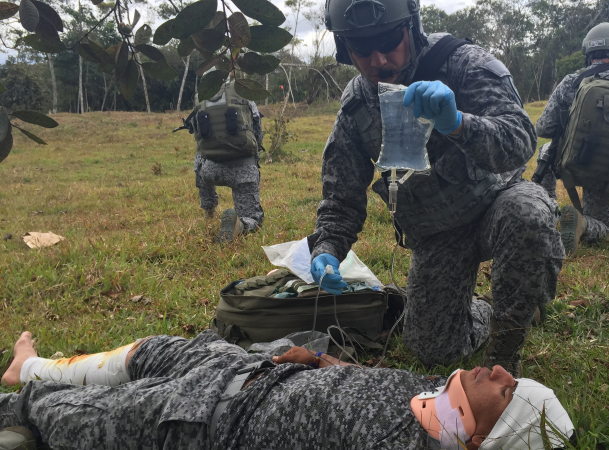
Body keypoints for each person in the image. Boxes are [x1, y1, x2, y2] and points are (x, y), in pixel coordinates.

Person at [309, 0, 565, 375]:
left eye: (388, 41)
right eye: (362, 48)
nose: (378, 60)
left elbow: (520, 140)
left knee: (527, 212)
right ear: (345, 49)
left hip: (497, 205)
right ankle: (506, 302)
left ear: (410, 28)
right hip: (440, 233)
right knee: (432, 350)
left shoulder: (463, 63)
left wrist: (459, 123)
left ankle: (505, 350)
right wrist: (328, 248)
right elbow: (341, 194)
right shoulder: (358, 105)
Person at [0, 331, 575, 450]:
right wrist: (322, 359)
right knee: (154, 350)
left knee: (65, 417)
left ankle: (24, 395)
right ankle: (31, 367)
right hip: (254, 366)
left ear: (482, 442)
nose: (498, 372)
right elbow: (366, 384)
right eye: (510, 377)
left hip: (202, 419)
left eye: (504, 394)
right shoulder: (439, 395)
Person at [535, 22, 609, 256]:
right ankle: (584, 224)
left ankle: (546, 213)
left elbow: (543, 127)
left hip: (569, 165)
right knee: (606, 228)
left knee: (546, 149)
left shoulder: (571, 81)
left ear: (587, 52)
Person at [188, 78, 265, 243]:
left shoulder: (199, 98)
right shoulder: (243, 93)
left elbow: (198, 137)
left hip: (210, 171)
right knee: (253, 218)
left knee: (199, 156)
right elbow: (257, 131)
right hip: (243, 171)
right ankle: (241, 224)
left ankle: (209, 211)